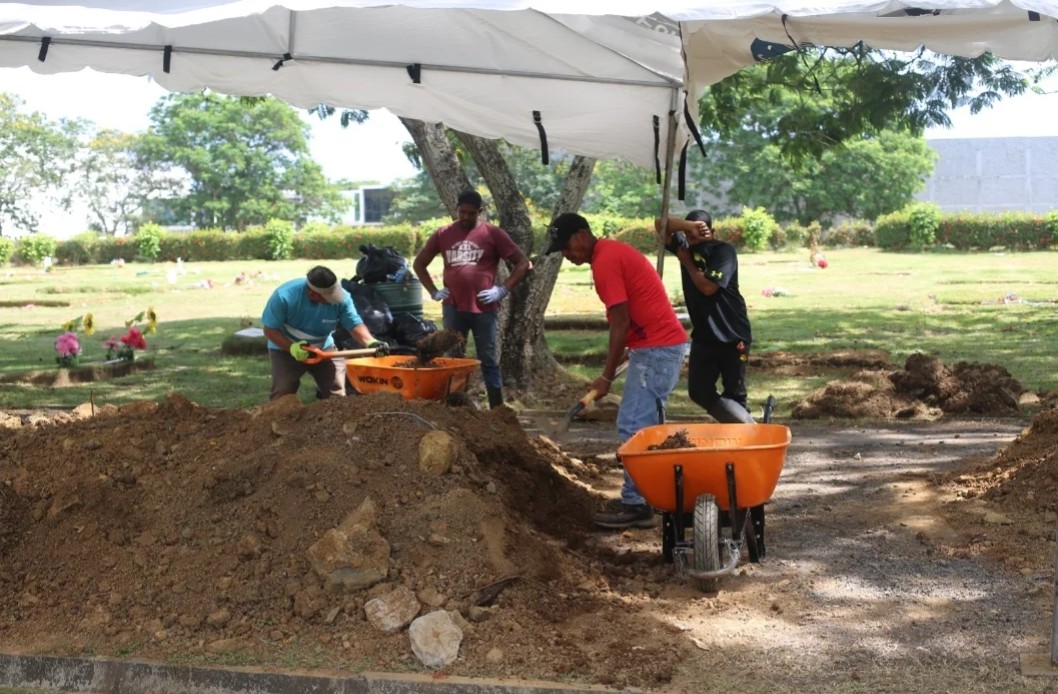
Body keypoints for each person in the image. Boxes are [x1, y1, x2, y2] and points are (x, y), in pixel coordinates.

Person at [545, 212, 688, 529]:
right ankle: (648, 495)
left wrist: (607, 376)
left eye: (566, 247)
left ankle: (636, 504)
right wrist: (628, 351)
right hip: (656, 347)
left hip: (657, 350)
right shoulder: (609, 253)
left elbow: (620, 321)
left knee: (633, 425)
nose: (566, 256)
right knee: (645, 426)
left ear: (582, 235)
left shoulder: (605, 261)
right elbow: (630, 319)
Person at [413, 190, 531, 409]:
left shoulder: (492, 234)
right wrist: (433, 291)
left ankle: (497, 408)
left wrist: (502, 290)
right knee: (453, 360)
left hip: (484, 309)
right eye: (462, 212)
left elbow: (523, 263)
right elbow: (419, 264)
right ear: (456, 210)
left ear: (480, 212)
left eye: (471, 213)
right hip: (454, 308)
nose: (465, 217)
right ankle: (455, 407)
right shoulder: (443, 234)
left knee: (488, 360)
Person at [658, 210, 755, 423]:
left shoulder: (724, 251)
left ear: (712, 231)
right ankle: (747, 425)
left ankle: (743, 437)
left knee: (735, 392)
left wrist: (688, 263)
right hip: (704, 334)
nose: (696, 237)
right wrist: (687, 226)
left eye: (701, 230)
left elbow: (708, 287)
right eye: (691, 232)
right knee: (699, 391)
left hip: (732, 332)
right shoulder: (685, 247)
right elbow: (660, 224)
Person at [262, 265, 388, 401]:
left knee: (336, 391)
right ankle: (278, 420)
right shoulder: (285, 296)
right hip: (286, 348)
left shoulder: (343, 298)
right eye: (329, 298)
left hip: (324, 348)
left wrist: (370, 342)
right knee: (283, 391)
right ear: (312, 294)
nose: (333, 301)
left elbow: (353, 323)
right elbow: (269, 329)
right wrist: (292, 348)